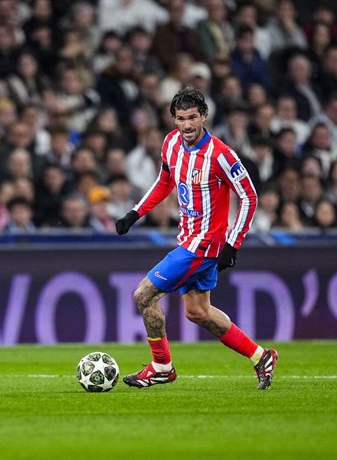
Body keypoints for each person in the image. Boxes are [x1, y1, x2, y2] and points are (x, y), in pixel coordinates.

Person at [114, 88, 278, 390]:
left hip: (203, 246)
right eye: (180, 118)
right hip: (188, 238)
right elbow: (164, 183)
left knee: (143, 295)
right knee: (197, 312)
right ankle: (261, 356)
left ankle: (162, 366)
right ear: (173, 120)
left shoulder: (222, 155)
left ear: (203, 116)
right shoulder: (171, 144)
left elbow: (249, 196)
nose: (187, 125)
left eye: (192, 117)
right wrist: (134, 214)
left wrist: (234, 242)